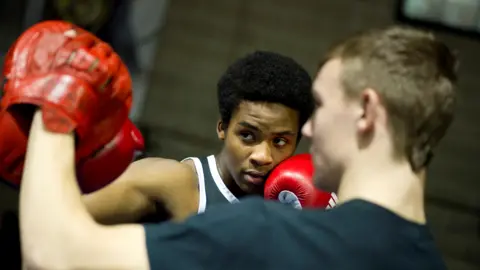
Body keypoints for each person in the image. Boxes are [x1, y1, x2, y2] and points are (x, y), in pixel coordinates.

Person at [7, 22, 455, 269]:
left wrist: (56, 113)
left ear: (366, 113)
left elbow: (53, 254)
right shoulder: (425, 262)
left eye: (319, 107)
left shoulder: (271, 230)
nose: (312, 130)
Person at [80, 47, 321, 224]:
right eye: (247, 136)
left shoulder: (293, 212)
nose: (262, 156)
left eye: (280, 141)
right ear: (222, 128)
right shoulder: (170, 182)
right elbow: (54, 225)